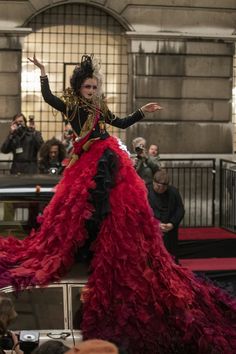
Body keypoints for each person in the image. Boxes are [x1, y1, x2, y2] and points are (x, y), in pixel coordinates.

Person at [0, 54, 236, 354]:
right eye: (88, 86)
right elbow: (48, 97)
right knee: (80, 207)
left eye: (95, 85)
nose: (92, 89)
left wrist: (141, 111)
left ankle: (105, 244)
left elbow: (121, 122)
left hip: (108, 155)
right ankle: (85, 245)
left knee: (116, 208)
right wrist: (44, 73)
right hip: (87, 161)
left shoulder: (100, 107)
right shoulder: (70, 105)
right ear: (79, 86)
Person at [148, 169, 185, 262]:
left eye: (164, 187)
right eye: (158, 186)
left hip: (170, 230)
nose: (160, 189)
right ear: (153, 182)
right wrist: (155, 224)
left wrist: (172, 223)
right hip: (151, 230)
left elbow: (180, 209)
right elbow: (142, 211)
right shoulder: (145, 191)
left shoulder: (173, 192)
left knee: (170, 257)